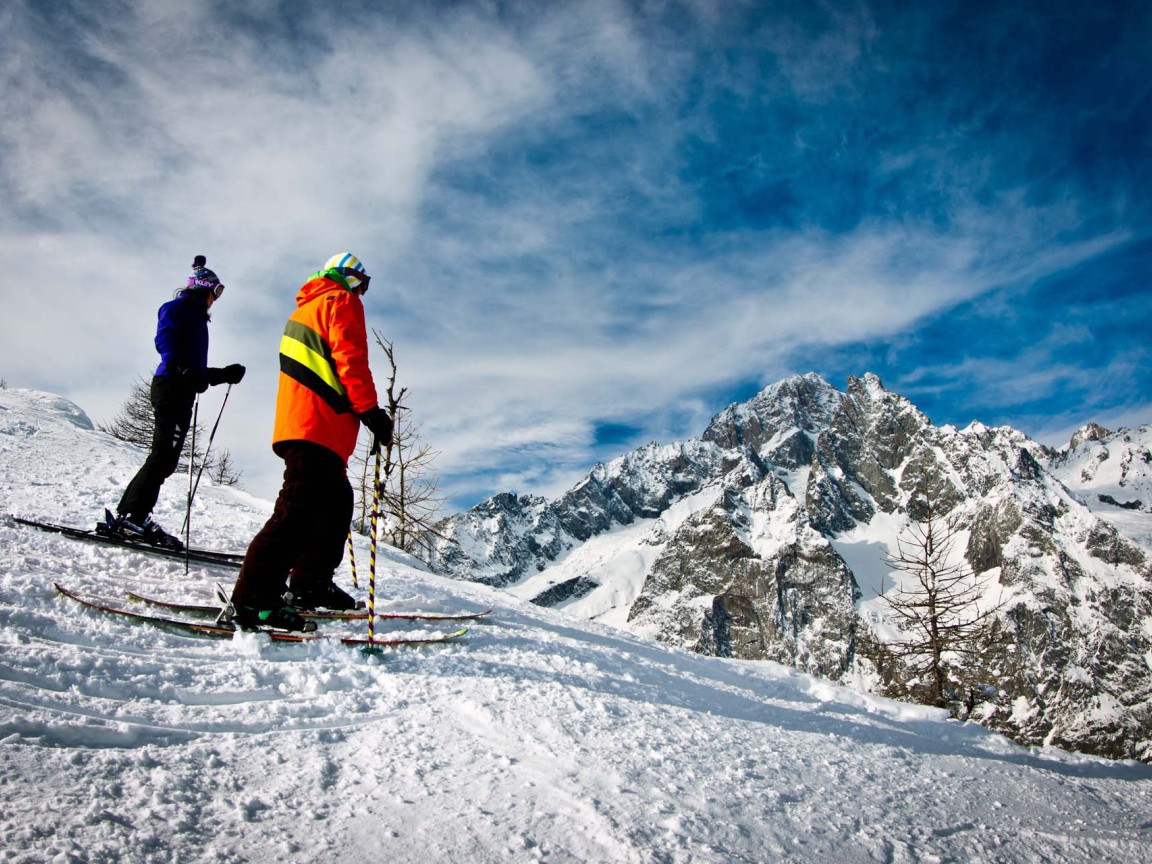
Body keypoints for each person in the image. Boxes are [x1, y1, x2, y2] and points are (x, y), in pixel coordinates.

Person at [229, 252, 392, 631]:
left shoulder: (304, 311)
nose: (364, 293)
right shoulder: (340, 300)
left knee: (336, 503)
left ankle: (309, 585)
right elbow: (350, 358)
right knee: (296, 511)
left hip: (310, 424)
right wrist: (371, 412)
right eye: (363, 284)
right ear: (350, 277)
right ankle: (252, 600)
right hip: (318, 425)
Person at [100, 256, 246, 549]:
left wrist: (222, 375)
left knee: (166, 458)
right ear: (203, 288)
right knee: (162, 456)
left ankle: (133, 516)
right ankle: (132, 518)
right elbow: (165, 341)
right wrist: (181, 369)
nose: (215, 300)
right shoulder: (177, 308)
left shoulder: (197, 320)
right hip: (170, 387)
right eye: (214, 292)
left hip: (182, 390)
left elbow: (196, 372)